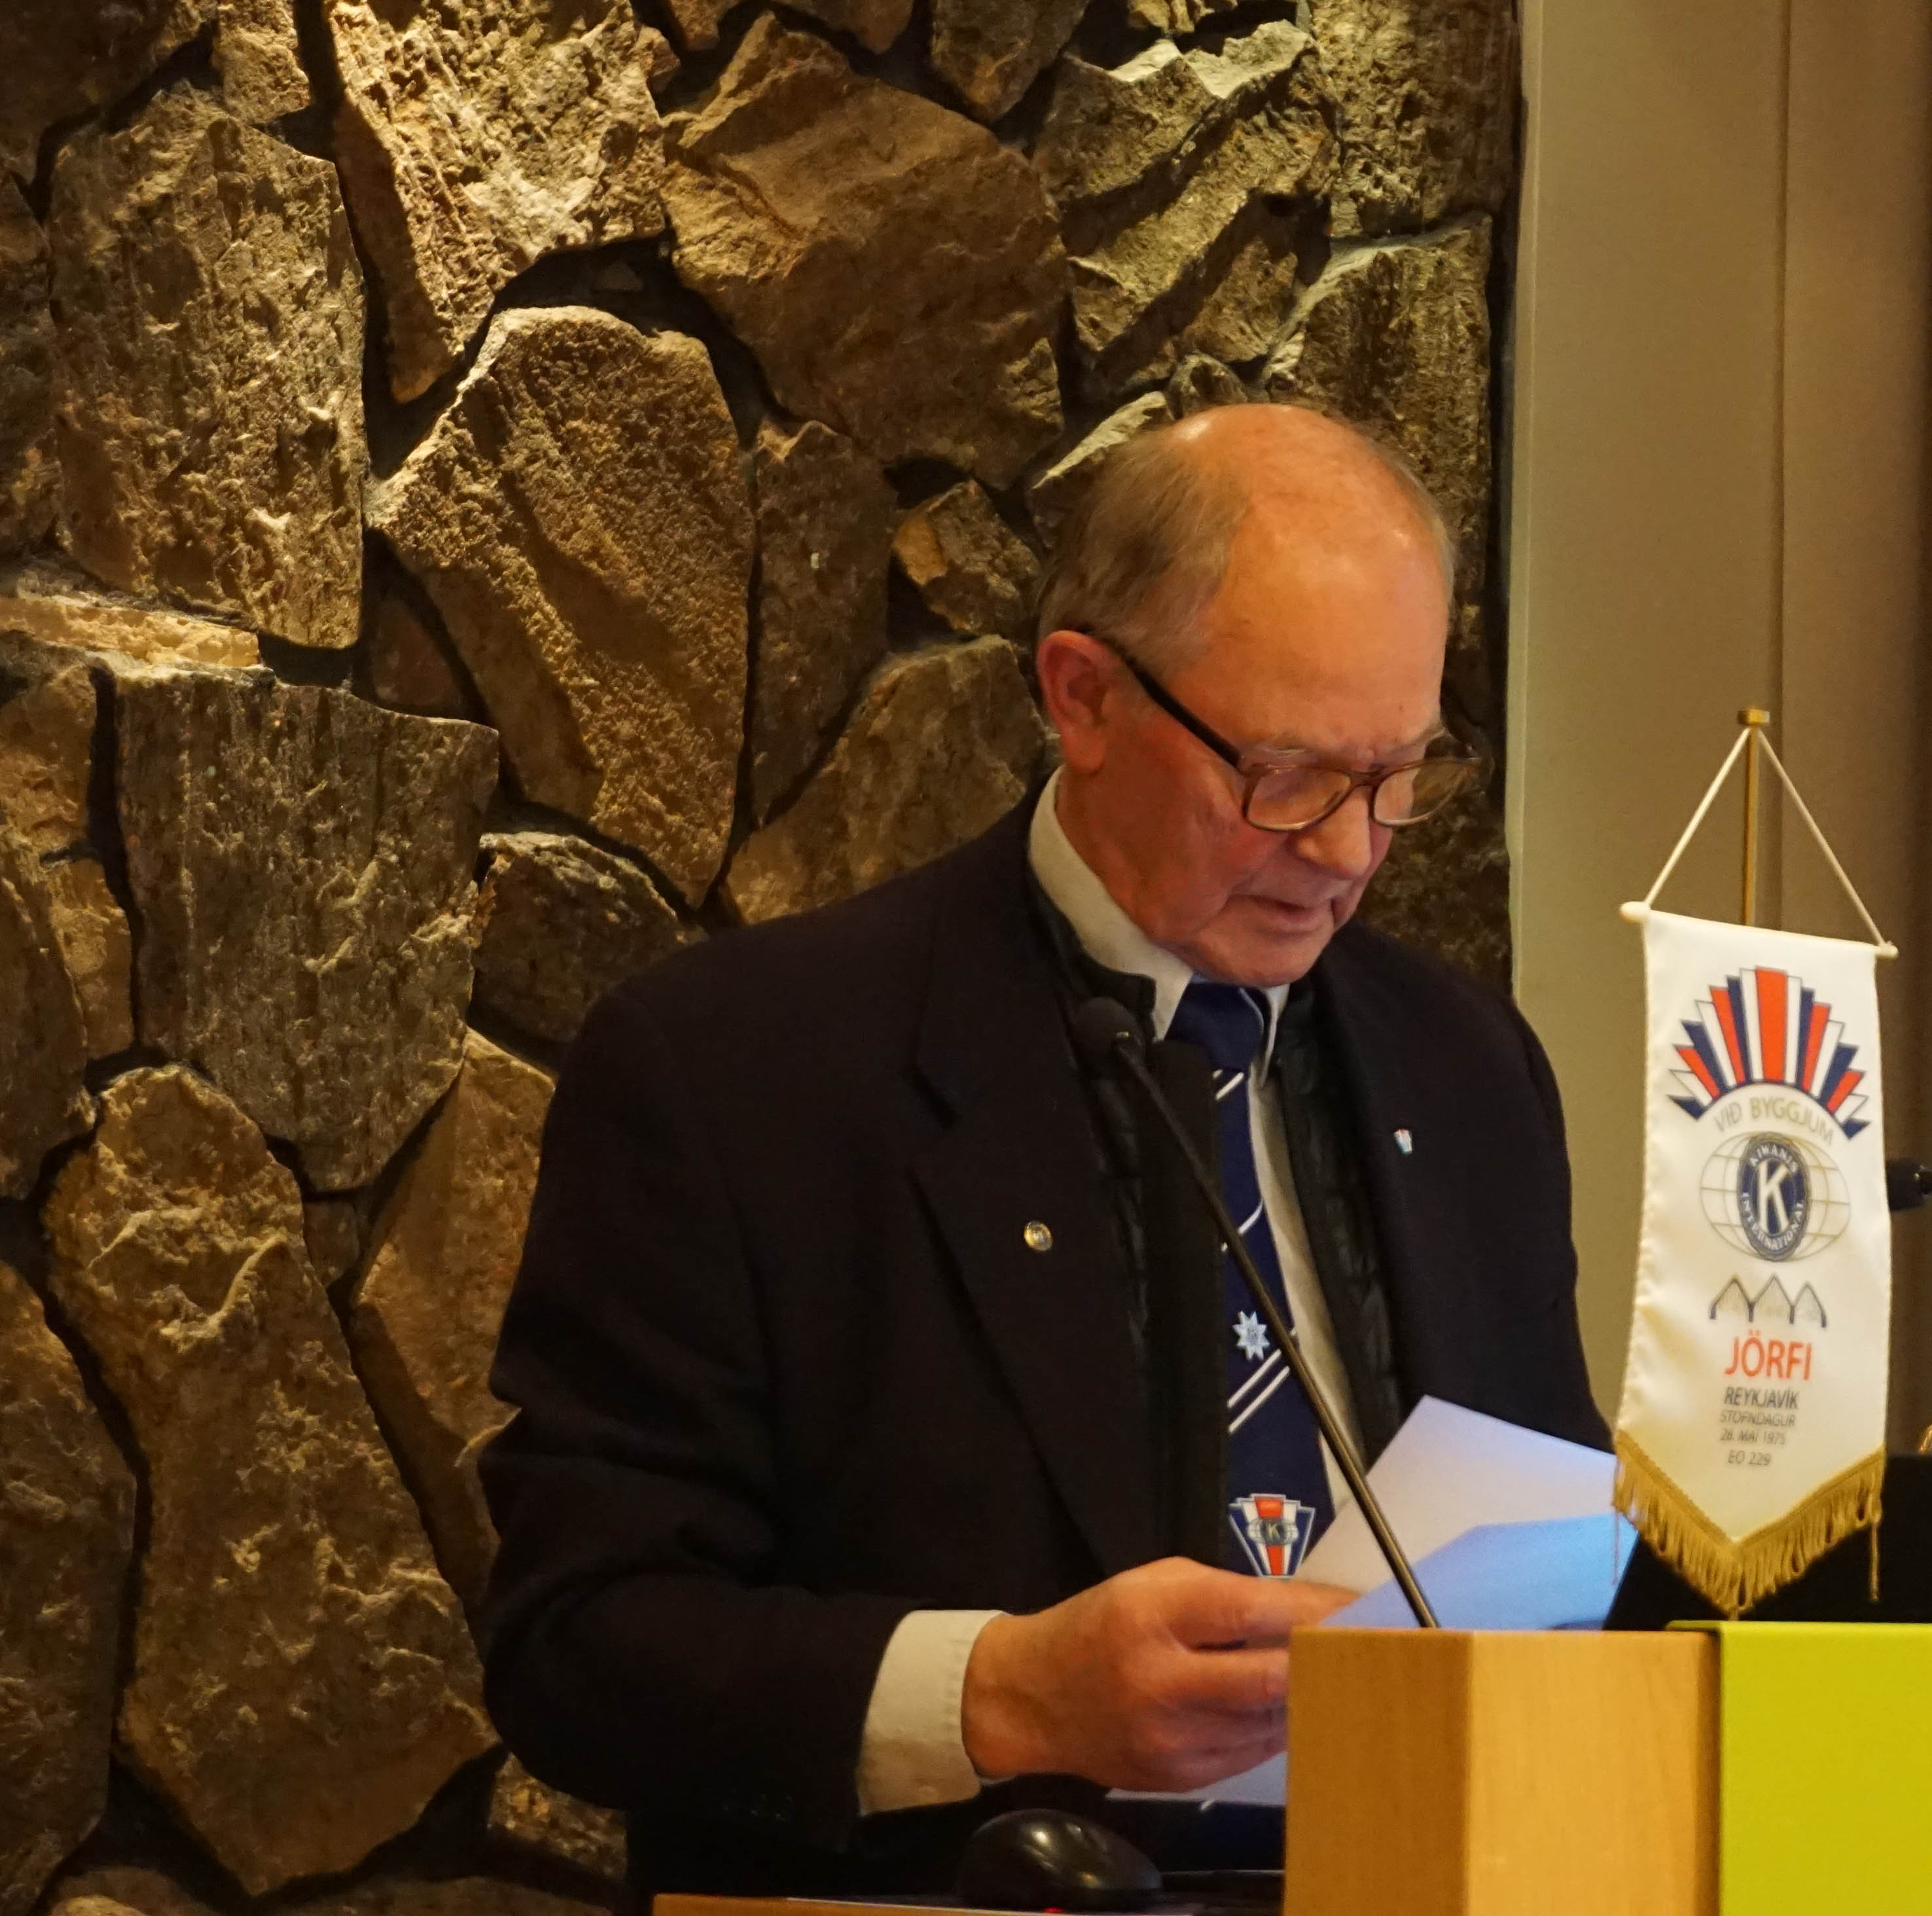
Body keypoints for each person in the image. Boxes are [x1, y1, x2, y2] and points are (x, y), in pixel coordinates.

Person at [479, 406, 1602, 1892]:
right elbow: (576, 1644)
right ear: (1084, 698)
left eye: (1400, 773)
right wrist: (999, 1694)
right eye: (1284, 775)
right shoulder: (739, 1071)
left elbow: (1550, 1569)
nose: (1348, 850)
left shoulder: (1470, 1072)